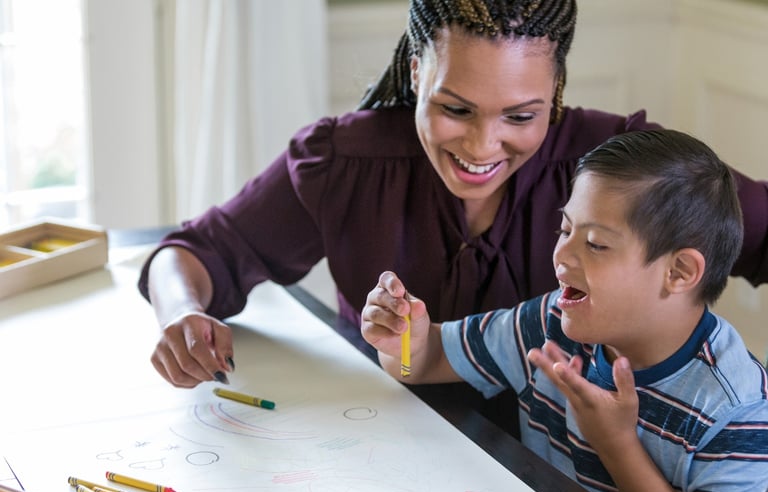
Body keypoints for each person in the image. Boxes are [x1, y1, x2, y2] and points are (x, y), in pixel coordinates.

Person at [138, 0, 768, 403]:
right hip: (385, 443)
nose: (481, 146)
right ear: (417, 73)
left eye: (520, 115)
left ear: (556, 88)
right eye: (455, 109)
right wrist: (181, 313)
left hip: (575, 478)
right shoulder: (345, 161)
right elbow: (197, 251)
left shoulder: (622, 169)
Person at [360, 129, 768, 492]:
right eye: (565, 230)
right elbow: (428, 360)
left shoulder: (738, 412)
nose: (562, 255)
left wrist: (616, 445)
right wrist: (405, 340)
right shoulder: (552, 322)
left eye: (595, 244)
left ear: (678, 272)